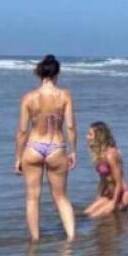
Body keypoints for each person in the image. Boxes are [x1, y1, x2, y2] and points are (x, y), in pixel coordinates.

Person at [14, 54, 77, 242]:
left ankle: (35, 240)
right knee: (61, 197)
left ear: (39, 73)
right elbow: (71, 126)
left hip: (33, 146)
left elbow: (22, 131)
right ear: (57, 73)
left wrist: (18, 156)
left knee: (32, 198)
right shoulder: (64, 95)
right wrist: (73, 151)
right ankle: (71, 238)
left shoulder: (28, 98)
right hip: (56, 146)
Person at [84, 121, 128, 218]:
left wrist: (114, 203)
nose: (87, 137)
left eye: (90, 134)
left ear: (99, 136)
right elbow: (103, 179)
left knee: (95, 217)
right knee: (87, 214)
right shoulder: (100, 154)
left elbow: (119, 182)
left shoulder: (111, 154)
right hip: (110, 193)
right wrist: (98, 196)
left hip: (123, 193)